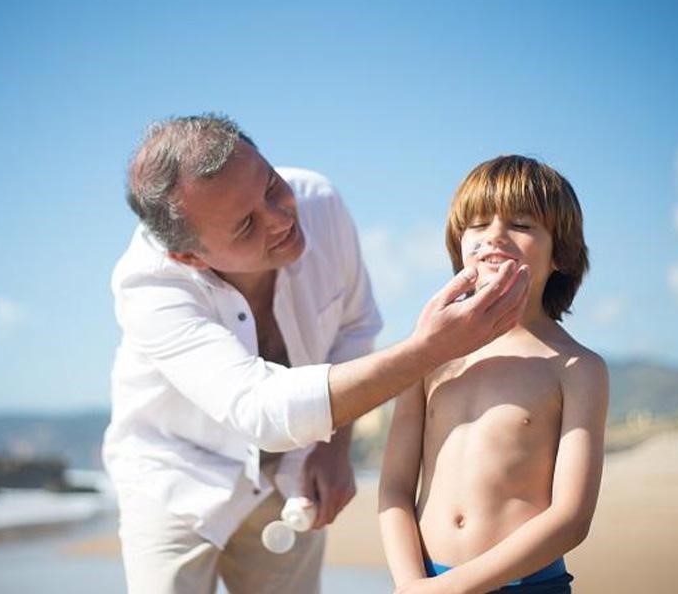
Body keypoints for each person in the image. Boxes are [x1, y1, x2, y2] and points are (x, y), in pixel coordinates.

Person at [103, 114, 531, 594]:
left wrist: (333, 445)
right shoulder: (148, 285)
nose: (283, 219)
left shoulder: (319, 203)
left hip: (292, 479)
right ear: (190, 257)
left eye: (271, 188)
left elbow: (354, 326)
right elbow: (259, 409)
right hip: (177, 479)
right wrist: (430, 349)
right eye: (246, 226)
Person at [378, 155, 609, 594]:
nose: (494, 236)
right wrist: (411, 583)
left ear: (561, 251)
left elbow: (572, 518)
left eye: (521, 224)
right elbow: (394, 487)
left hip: (527, 585)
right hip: (425, 580)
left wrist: (454, 589)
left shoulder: (577, 368)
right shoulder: (429, 354)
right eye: (478, 224)